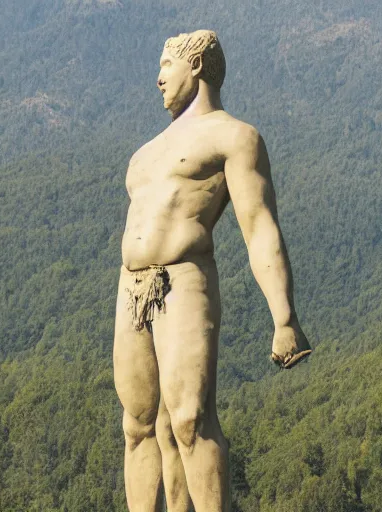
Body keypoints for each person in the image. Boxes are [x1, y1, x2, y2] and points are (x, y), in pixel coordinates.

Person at [113, 30, 313, 511]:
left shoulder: (234, 137)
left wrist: (283, 318)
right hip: (130, 287)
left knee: (188, 420)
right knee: (140, 426)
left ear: (197, 65)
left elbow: (259, 226)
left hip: (184, 278)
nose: (158, 79)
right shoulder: (145, 154)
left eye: (167, 65)